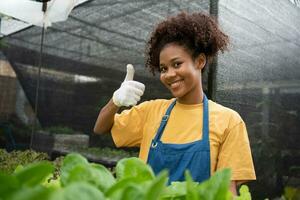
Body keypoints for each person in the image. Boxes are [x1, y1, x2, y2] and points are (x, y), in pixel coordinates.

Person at [94, 12, 256, 194]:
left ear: (200, 61)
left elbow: (227, 191)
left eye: (177, 64)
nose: (169, 74)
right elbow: (100, 128)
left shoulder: (229, 121)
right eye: (163, 68)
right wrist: (115, 101)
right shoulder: (152, 111)